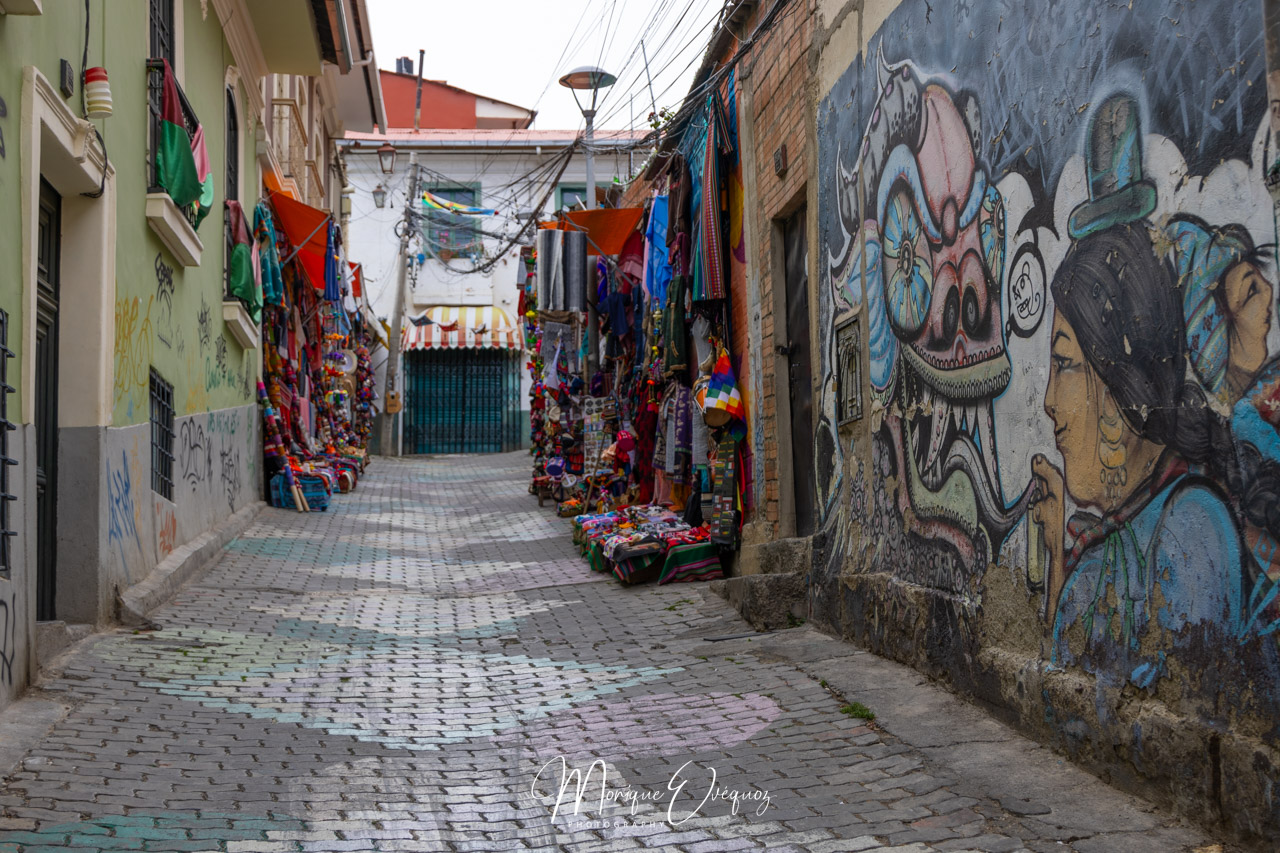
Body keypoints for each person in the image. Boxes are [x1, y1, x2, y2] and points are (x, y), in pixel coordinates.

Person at [1030, 223, 1245, 687]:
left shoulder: (1190, 525)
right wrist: (1055, 557)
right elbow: (1062, 679)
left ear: (1117, 388)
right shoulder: (1115, 538)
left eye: (1064, 365)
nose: (1048, 400)